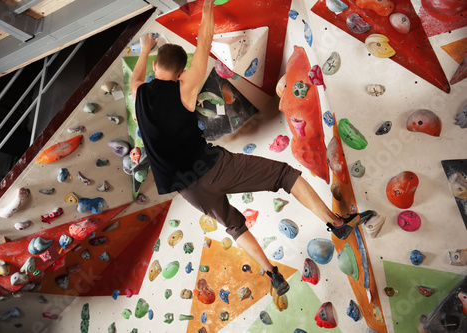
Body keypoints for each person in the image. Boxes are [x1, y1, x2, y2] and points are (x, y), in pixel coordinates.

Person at [130, 0, 375, 296]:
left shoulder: (140, 95)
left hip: (187, 189)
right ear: (181, 71)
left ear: (156, 66)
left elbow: (136, 78)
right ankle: (336, 223)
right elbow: (205, 42)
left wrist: (144, 50)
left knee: (234, 226)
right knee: (284, 175)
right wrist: (207, 6)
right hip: (213, 167)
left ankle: (273, 275)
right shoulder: (185, 86)